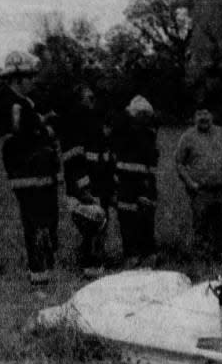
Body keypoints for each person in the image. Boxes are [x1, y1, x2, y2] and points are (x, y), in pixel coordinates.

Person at [0, 50, 60, 286]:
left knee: (46, 222)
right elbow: (18, 136)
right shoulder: (10, 103)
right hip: (27, 173)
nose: (33, 81)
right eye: (29, 76)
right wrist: (43, 130)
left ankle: (45, 272)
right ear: (17, 78)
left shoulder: (23, 103)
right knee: (35, 223)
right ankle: (39, 277)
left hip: (39, 171)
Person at [174, 105, 222, 266]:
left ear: (212, 115)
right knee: (201, 227)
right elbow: (179, 163)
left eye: (206, 112)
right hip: (200, 192)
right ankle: (202, 262)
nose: (203, 117)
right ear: (194, 117)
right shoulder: (187, 137)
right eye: (199, 114)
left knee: (221, 225)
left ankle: (220, 258)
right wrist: (190, 183)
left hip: (221, 191)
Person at [60, 84, 111, 277]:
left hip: (100, 187)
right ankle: (89, 267)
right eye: (89, 98)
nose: (93, 102)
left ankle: (95, 264)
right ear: (79, 101)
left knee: (100, 229)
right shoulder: (73, 127)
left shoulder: (95, 126)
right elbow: (73, 164)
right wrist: (85, 191)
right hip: (83, 191)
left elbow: (105, 158)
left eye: (93, 98)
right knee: (92, 225)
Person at [113, 95, 159, 266]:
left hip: (142, 187)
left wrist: (147, 190)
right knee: (128, 223)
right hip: (127, 188)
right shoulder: (124, 135)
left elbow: (150, 168)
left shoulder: (148, 137)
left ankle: (146, 255)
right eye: (142, 115)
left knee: (145, 222)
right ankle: (132, 256)